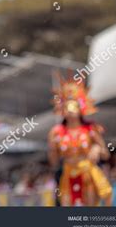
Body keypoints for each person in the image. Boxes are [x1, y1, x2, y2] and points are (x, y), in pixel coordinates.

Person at [48, 74, 112, 206]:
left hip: (87, 175)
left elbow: (106, 154)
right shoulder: (56, 132)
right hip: (67, 175)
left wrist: (97, 148)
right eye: (67, 106)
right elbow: (54, 163)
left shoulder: (91, 129)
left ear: (81, 107)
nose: (70, 110)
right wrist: (53, 149)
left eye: (74, 106)